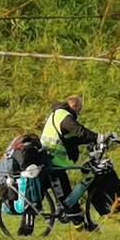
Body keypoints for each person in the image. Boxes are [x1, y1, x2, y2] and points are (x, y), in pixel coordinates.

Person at [40, 94, 98, 223]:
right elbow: (79, 131)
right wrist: (98, 137)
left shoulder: (59, 114)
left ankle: (81, 224)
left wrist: (89, 141)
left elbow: (72, 137)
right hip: (53, 161)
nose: (80, 111)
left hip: (50, 159)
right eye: (80, 108)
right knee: (67, 202)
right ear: (75, 105)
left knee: (66, 199)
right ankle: (81, 226)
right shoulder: (64, 116)